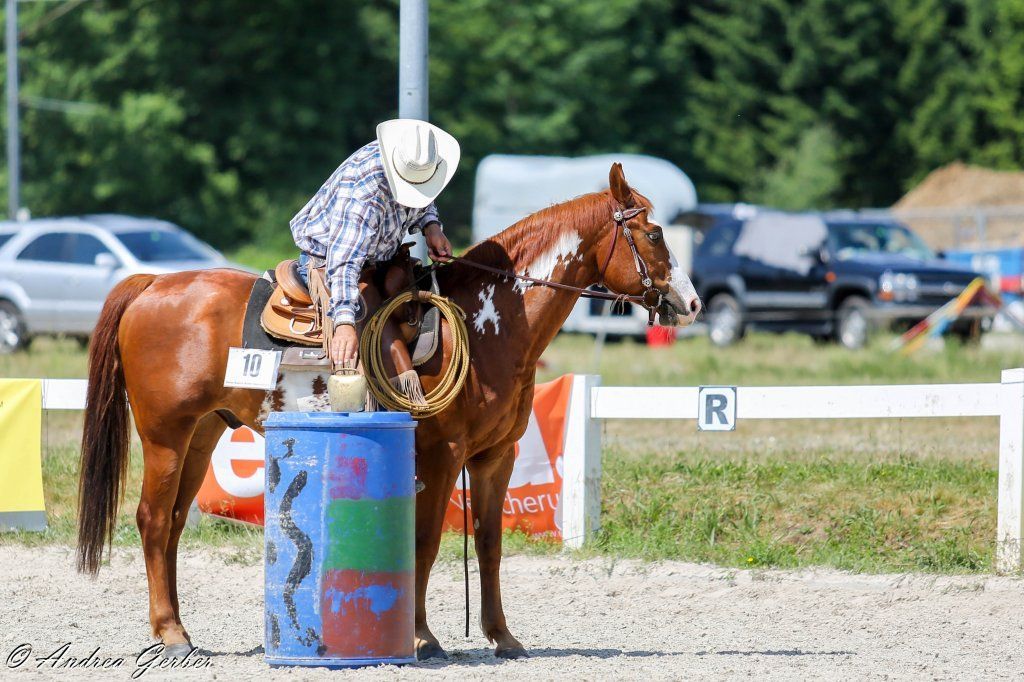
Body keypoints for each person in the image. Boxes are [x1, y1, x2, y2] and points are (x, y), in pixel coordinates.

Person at [290, 119, 458, 367]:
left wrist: (430, 225)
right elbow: (344, 262)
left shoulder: (415, 161)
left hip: (379, 261)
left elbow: (424, 193)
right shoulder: (363, 195)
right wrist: (345, 323)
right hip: (332, 263)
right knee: (375, 339)